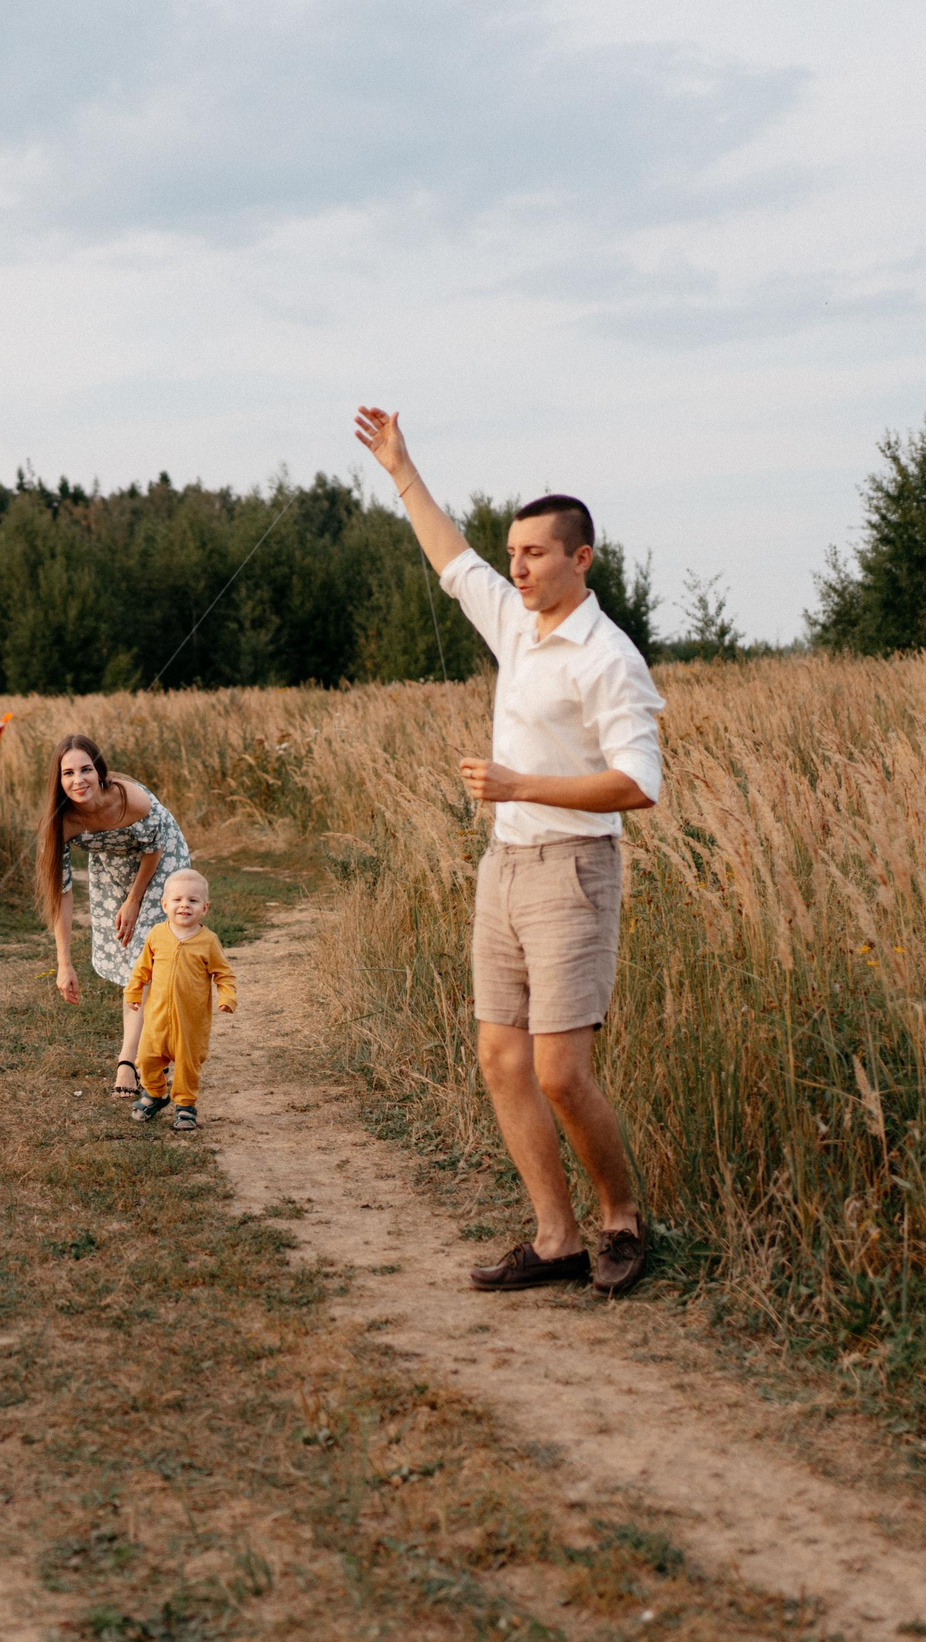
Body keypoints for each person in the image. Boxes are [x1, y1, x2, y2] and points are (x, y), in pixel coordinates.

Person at [352, 405, 666, 1298]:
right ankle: (556, 1236)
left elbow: (638, 783)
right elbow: (452, 561)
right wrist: (402, 470)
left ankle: (620, 1219)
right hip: (505, 868)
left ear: (581, 559)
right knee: (501, 1059)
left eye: (533, 553)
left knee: (563, 1072)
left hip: (573, 867)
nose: (516, 566)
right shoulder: (518, 626)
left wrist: (520, 785)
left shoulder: (606, 656)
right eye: (513, 552)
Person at [37, 734, 194, 1097]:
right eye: (68, 773)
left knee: (150, 955)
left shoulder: (130, 799)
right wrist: (64, 964)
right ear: (58, 782)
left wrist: (135, 900)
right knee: (131, 962)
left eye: (86, 769)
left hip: (160, 860)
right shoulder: (61, 824)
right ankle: (160, 1049)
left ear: (100, 771)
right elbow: (61, 894)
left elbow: (154, 848)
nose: (79, 780)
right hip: (110, 867)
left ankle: (130, 1059)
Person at [121, 868, 237, 1132]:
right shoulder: (157, 935)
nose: (184, 905)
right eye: (177, 900)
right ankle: (155, 1094)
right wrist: (133, 991)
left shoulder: (208, 941)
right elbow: (141, 968)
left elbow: (224, 974)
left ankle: (185, 1106)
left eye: (193, 901)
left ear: (204, 908)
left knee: (187, 1065)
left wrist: (227, 996)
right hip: (157, 1019)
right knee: (147, 1058)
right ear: (165, 905)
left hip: (190, 1022)